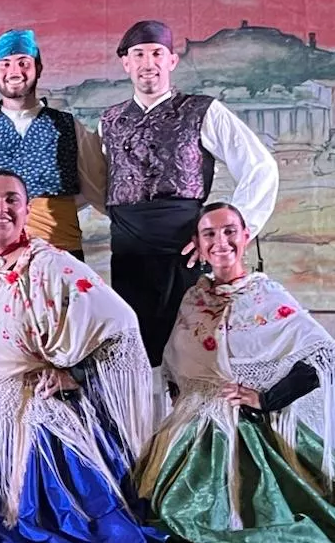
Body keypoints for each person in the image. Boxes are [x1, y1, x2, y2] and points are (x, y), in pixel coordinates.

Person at [136, 203, 335, 543]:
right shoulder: (194, 297)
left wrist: (265, 398)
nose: (220, 242)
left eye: (230, 231)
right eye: (209, 234)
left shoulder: (265, 295)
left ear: (247, 236)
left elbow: (323, 354)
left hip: (245, 427)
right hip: (189, 427)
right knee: (153, 505)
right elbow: (176, 363)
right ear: (197, 244)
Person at [0, 172, 163, 543]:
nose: (0, 208)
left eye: (11, 200)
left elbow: (119, 324)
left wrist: (74, 374)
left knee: (62, 502)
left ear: (26, 210)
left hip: (38, 395)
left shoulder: (54, 265)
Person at [100, 20, 279, 364]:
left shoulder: (203, 110)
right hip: (127, 252)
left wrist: (224, 238)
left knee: (189, 349)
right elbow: (99, 183)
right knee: (133, 353)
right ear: (126, 62)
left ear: (172, 60)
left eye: (156, 53)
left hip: (183, 247)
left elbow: (261, 168)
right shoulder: (109, 120)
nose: (147, 63)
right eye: (138, 54)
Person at [0, 29, 106, 258]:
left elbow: (99, 188)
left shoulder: (67, 126)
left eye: (23, 63)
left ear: (38, 68)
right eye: (5, 64)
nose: (14, 71)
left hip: (61, 251)